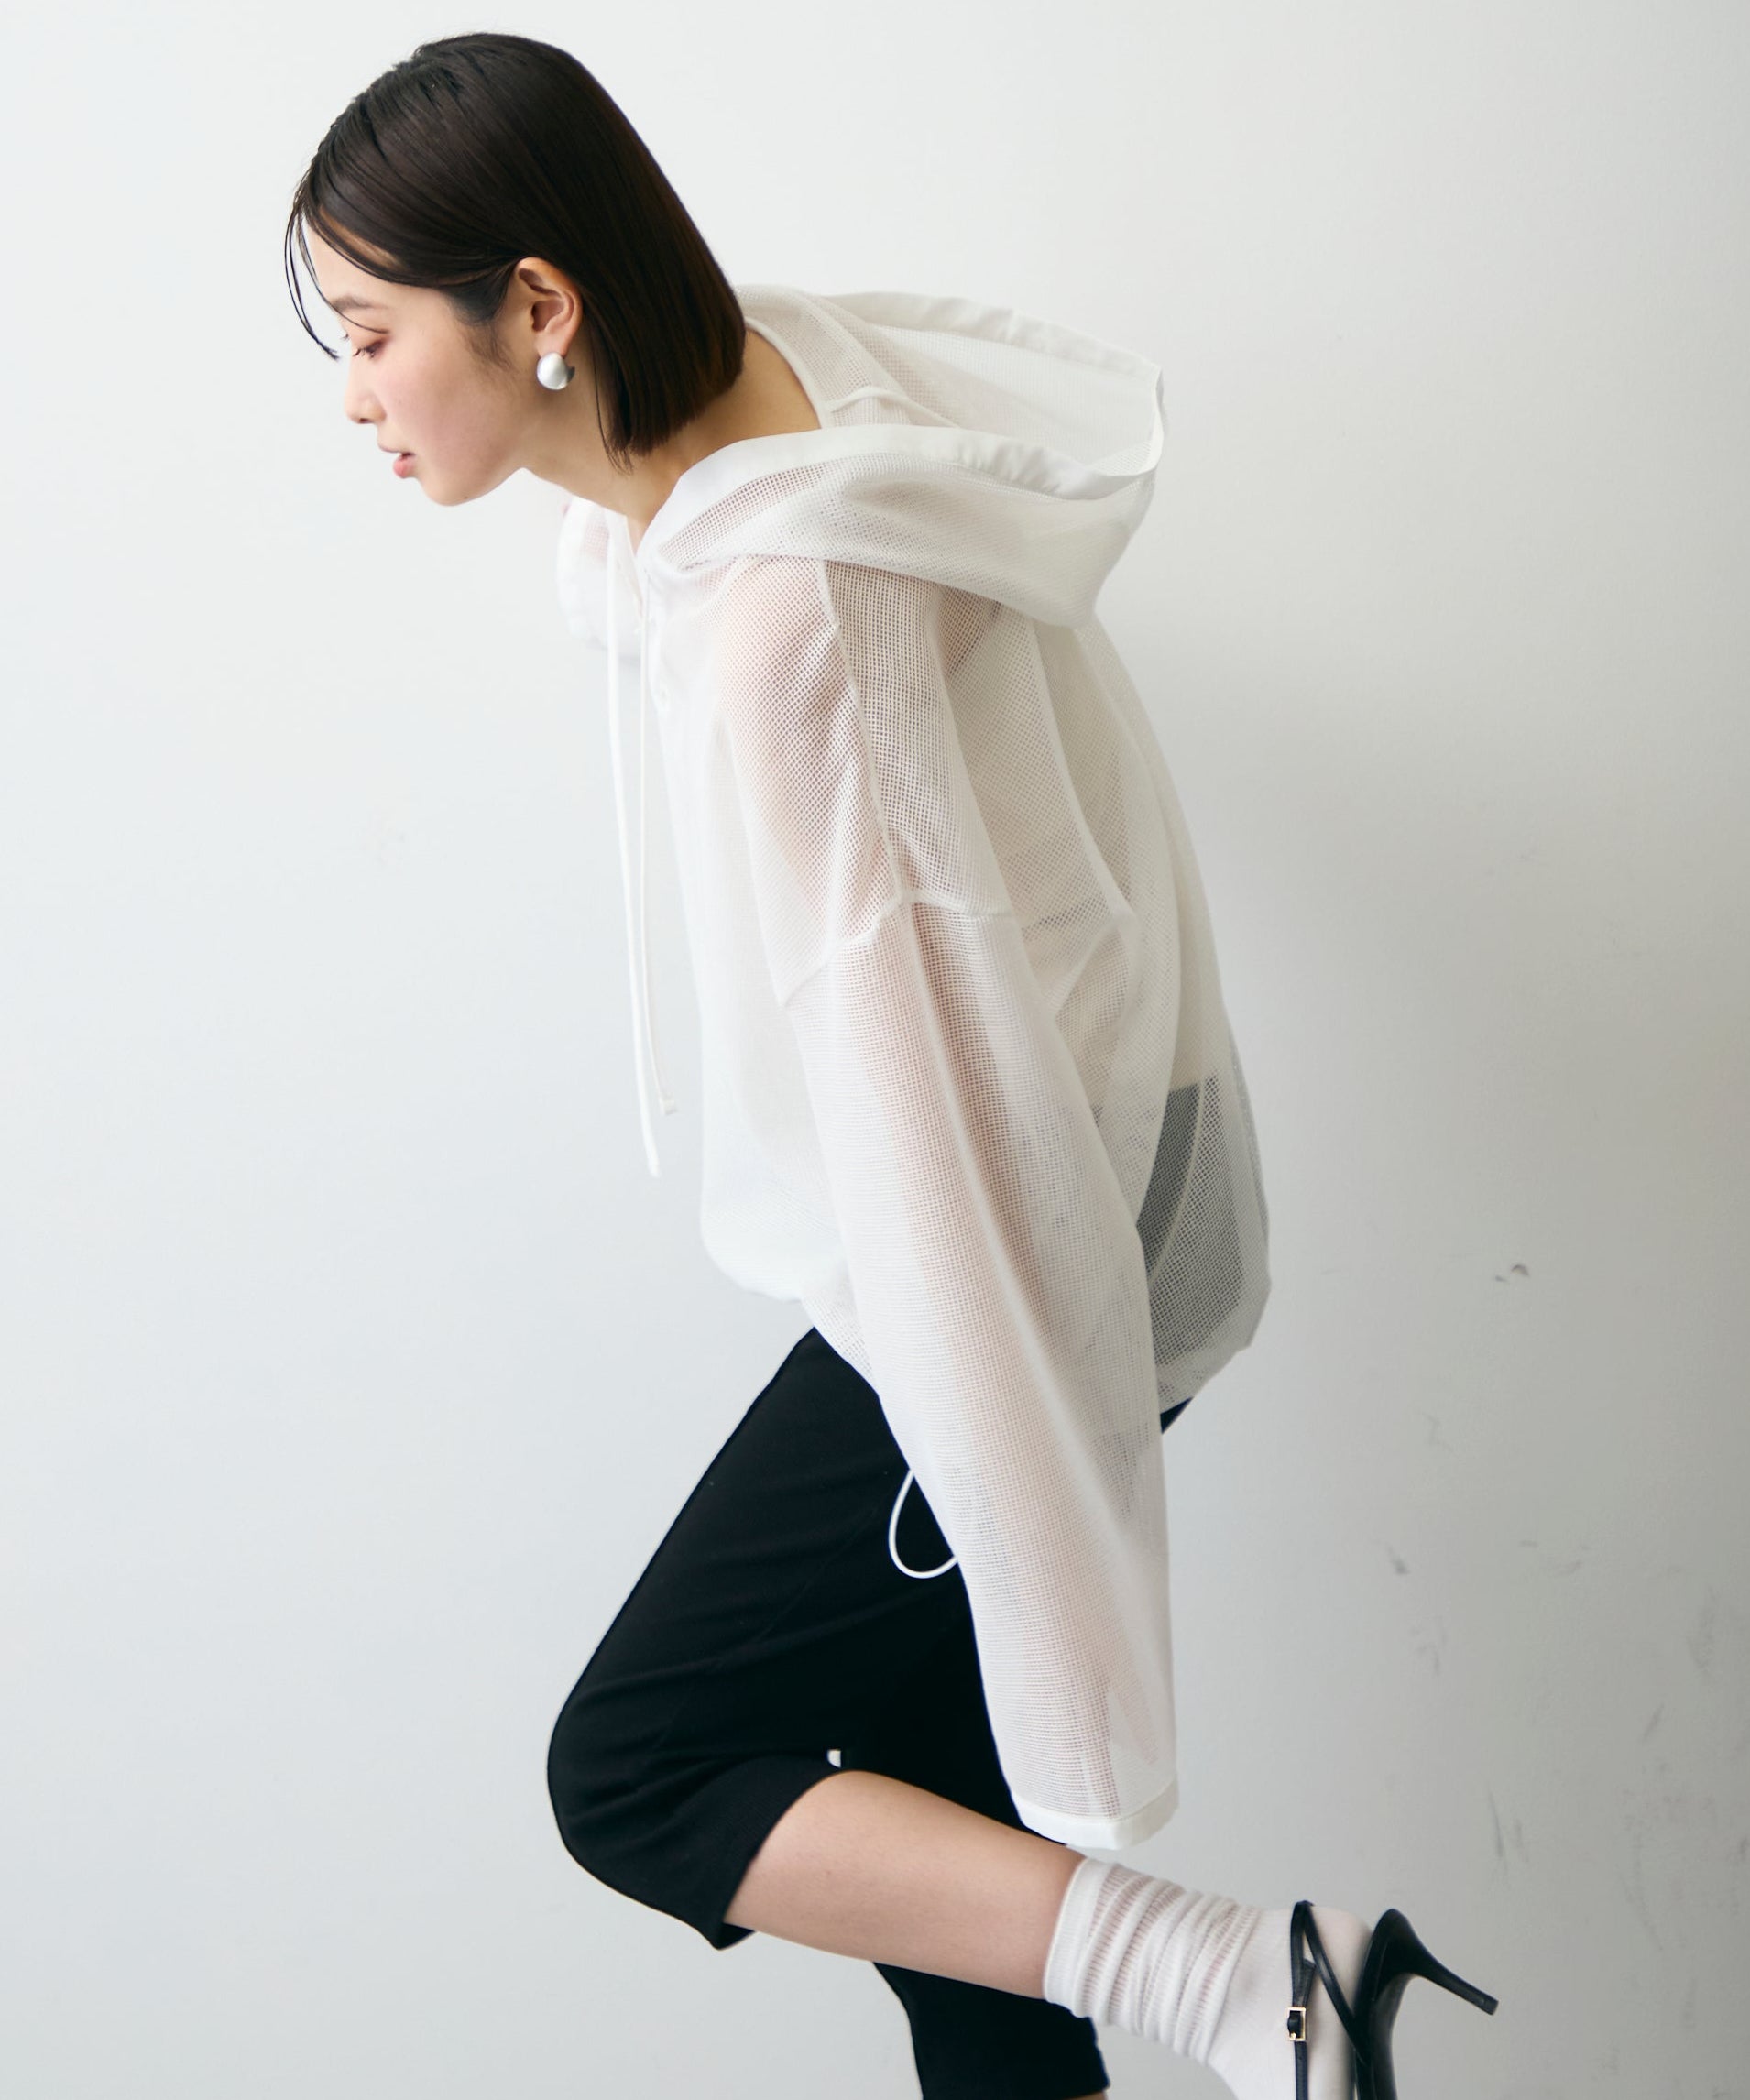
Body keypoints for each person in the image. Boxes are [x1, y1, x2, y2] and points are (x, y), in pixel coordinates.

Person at [285, 30, 1499, 2100]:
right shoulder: (763, 377)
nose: (352, 395)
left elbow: (927, 1088)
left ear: (540, 306)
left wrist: (1013, 1470)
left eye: (374, 333)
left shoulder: (789, 624)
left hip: (1018, 1211)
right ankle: (1214, 1989)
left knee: (642, 1761)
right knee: (951, 1895)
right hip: (1095, 1131)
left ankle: (1260, 1982)